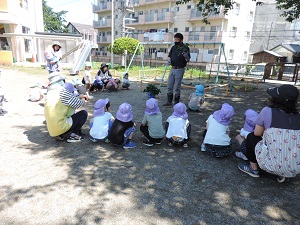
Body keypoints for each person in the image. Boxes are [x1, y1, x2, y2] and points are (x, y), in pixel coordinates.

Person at [237, 84, 300, 182]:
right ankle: (283, 173)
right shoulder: (298, 116)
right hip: (294, 166)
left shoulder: (268, 111)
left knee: (251, 137)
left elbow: (257, 133)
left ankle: (253, 168)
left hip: (270, 162)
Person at [164, 33, 190, 106]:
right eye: (175, 39)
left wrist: (186, 56)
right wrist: (169, 60)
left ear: (181, 40)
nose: (175, 41)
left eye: (177, 40)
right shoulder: (173, 47)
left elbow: (188, 60)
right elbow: (169, 56)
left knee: (177, 86)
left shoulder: (185, 48)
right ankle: (169, 101)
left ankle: (176, 102)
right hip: (173, 68)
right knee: (169, 85)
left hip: (180, 69)